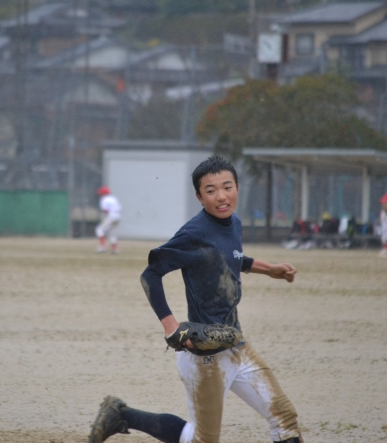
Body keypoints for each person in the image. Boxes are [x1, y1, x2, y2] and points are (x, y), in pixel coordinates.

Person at [88, 157, 303, 443]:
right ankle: (122, 415)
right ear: (199, 197)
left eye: (227, 187)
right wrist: (170, 325)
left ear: (237, 188)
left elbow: (231, 257)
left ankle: (121, 415)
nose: (221, 196)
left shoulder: (234, 223)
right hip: (204, 354)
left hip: (236, 343)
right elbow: (150, 274)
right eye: (211, 190)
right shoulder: (194, 233)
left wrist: (270, 269)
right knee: (202, 439)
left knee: (284, 418)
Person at [95, 186, 121, 254]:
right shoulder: (114, 198)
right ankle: (114, 250)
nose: (99, 194)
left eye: (101, 193)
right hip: (118, 216)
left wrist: (107, 216)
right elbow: (120, 209)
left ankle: (102, 247)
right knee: (112, 233)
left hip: (111, 216)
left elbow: (105, 210)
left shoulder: (104, 199)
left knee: (99, 229)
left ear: (103, 194)